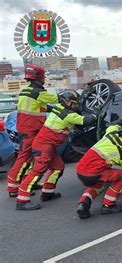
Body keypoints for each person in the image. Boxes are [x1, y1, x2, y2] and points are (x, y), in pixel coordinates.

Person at [16, 90, 97, 210]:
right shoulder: (68, 115)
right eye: (75, 104)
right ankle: (22, 200)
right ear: (68, 102)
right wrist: (96, 113)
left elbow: (76, 115)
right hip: (44, 146)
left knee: (58, 168)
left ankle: (48, 192)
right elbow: (85, 121)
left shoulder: (59, 108)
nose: (77, 106)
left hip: (48, 146)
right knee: (37, 172)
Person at [7, 64, 59, 197]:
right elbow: (58, 99)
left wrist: (50, 109)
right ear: (40, 77)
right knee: (25, 158)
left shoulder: (26, 91)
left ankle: (27, 183)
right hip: (32, 129)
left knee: (29, 157)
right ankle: (14, 187)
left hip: (25, 128)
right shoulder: (38, 92)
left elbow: (38, 107)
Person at [76, 118, 122, 219]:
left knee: (98, 185)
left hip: (80, 169)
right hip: (94, 171)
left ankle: (83, 203)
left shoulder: (111, 133)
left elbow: (113, 124)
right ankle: (108, 205)